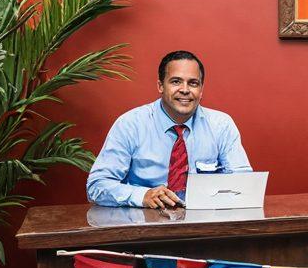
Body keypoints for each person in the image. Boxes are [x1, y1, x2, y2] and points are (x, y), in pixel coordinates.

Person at [86, 51, 251, 208]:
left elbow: (243, 182)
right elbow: (97, 185)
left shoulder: (221, 125)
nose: (185, 90)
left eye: (193, 83)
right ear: (160, 86)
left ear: (201, 90)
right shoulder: (130, 124)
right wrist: (142, 196)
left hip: (204, 223)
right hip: (143, 225)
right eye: (176, 81)